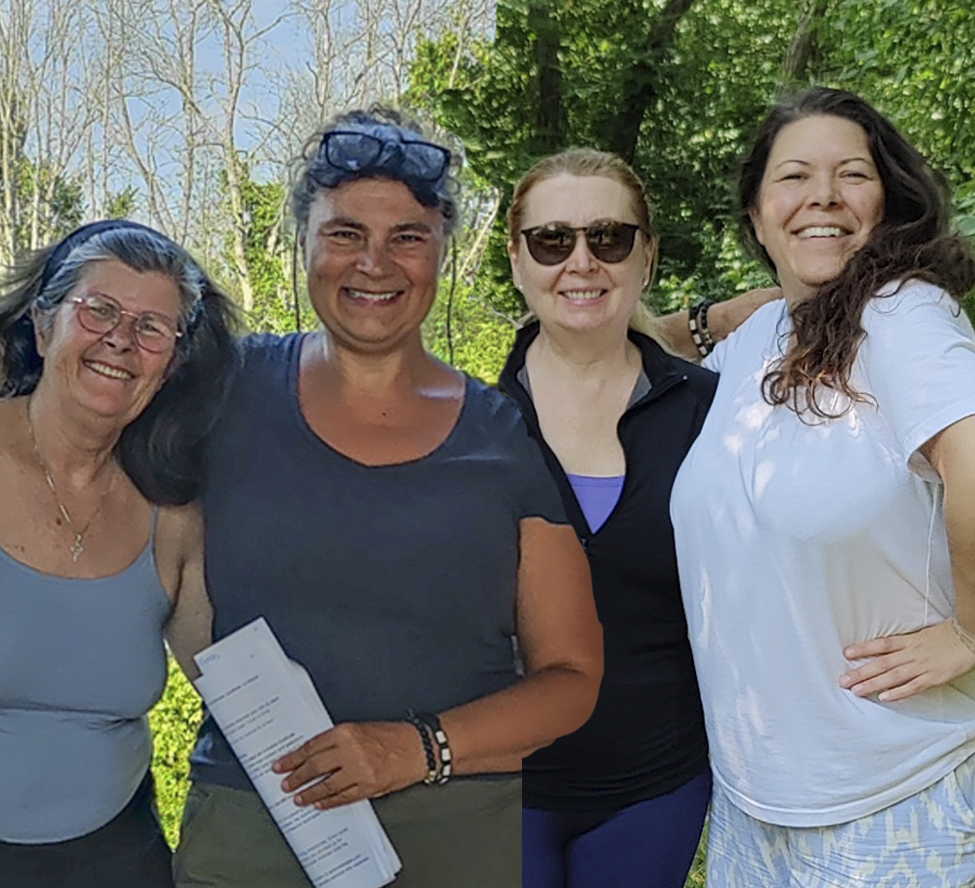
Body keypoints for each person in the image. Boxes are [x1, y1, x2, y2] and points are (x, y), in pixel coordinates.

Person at [173, 108, 604, 888]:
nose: (374, 262)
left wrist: (413, 747)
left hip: (451, 825)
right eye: (343, 232)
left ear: (444, 252)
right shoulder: (219, 388)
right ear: (300, 241)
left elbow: (571, 676)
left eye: (407, 235)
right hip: (250, 821)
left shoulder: (502, 434)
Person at [671, 87, 975, 886]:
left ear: (889, 199)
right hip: (753, 807)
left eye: (851, 175)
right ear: (756, 210)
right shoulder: (755, 342)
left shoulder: (902, 315)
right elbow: (608, 332)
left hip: (899, 795)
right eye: (794, 177)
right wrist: (722, 312)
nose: (823, 197)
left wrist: (972, 632)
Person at [499, 148, 717, 888]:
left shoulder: (714, 414)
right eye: (552, 240)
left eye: (609, 238)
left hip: (657, 785)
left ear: (646, 256)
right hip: (497, 788)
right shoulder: (467, 426)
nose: (581, 262)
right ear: (517, 259)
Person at [0, 220, 239, 888]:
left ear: (171, 365)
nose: (120, 340)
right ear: (43, 326)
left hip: (116, 855)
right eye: (98, 309)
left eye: (151, 327)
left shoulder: (173, 513)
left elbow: (237, 686)